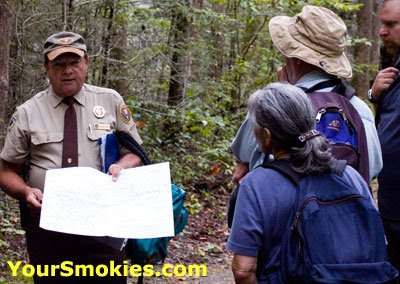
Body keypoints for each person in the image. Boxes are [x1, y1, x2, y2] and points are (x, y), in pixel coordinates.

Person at [0, 31, 142, 284]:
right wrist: (25, 192)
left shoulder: (110, 101)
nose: (68, 71)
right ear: (47, 68)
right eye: (59, 64)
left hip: (104, 224)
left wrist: (120, 166)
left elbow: (135, 153)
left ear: (86, 63)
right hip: (48, 228)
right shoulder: (27, 113)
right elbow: (6, 170)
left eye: (74, 62)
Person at [227, 82, 377, 283]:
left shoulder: (256, 185)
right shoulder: (350, 175)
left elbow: (243, 270)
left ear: (266, 135)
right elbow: (375, 242)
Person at [231, 5, 382, 184]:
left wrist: (281, 90)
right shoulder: (357, 108)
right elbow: (372, 168)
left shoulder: (271, 105)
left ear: (294, 57)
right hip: (345, 209)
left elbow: (243, 153)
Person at [369, 0, 400, 273]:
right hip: (391, 202)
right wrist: (374, 95)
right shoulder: (396, 68)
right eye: (382, 23)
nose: (381, 31)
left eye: (391, 24)